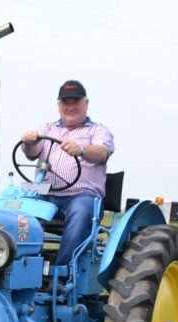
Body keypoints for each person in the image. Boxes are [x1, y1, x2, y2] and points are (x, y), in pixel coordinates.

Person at [21, 80, 115, 271]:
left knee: (81, 212)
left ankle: (62, 274)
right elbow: (31, 153)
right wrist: (27, 141)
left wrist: (81, 149)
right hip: (44, 192)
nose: (70, 107)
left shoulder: (97, 130)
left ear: (86, 104)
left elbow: (102, 153)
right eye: (66, 102)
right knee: (16, 208)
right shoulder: (47, 129)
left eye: (76, 102)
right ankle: (18, 267)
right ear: (58, 105)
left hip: (81, 195)